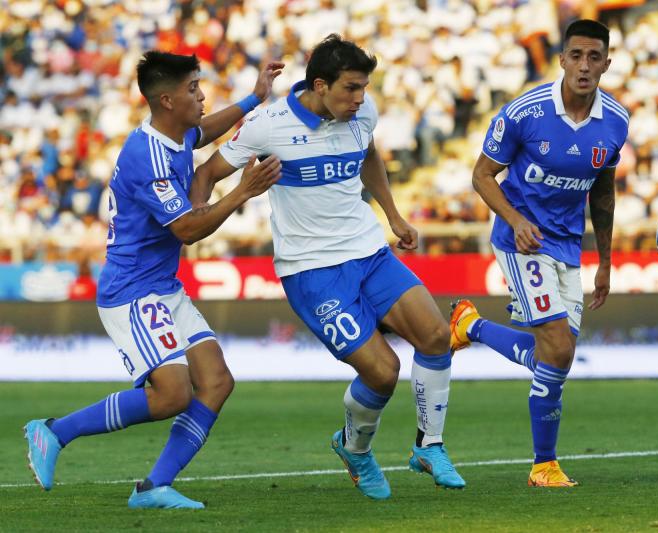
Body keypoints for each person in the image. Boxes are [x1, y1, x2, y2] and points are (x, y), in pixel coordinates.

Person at [192, 34, 465, 500]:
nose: (360, 99)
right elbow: (206, 173)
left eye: (363, 89)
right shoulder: (268, 125)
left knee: (438, 335)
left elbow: (370, 156)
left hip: (369, 252)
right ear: (320, 85)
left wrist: (394, 216)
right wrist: (198, 222)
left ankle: (429, 445)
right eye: (351, 89)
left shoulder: (363, 114)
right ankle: (355, 449)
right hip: (311, 271)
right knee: (383, 372)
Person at [23, 51, 284, 509]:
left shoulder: (178, 133)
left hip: (162, 285)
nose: (201, 95)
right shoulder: (146, 157)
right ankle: (54, 431)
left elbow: (203, 133)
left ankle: (154, 487)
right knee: (172, 395)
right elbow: (186, 229)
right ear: (166, 100)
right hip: (131, 290)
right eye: (192, 89)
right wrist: (242, 190)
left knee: (218, 381)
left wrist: (254, 98)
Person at [450, 20, 628, 487]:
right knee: (558, 346)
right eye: (576, 56)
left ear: (607, 63)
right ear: (562, 60)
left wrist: (604, 261)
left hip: (568, 245)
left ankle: (471, 326)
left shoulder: (616, 122)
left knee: (558, 356)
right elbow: (483, 175)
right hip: (520, 240)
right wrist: (515, 220)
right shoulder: (524, 113)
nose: (585, 66)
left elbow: (603, 192)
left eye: (595, 58)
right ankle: (543, 465)